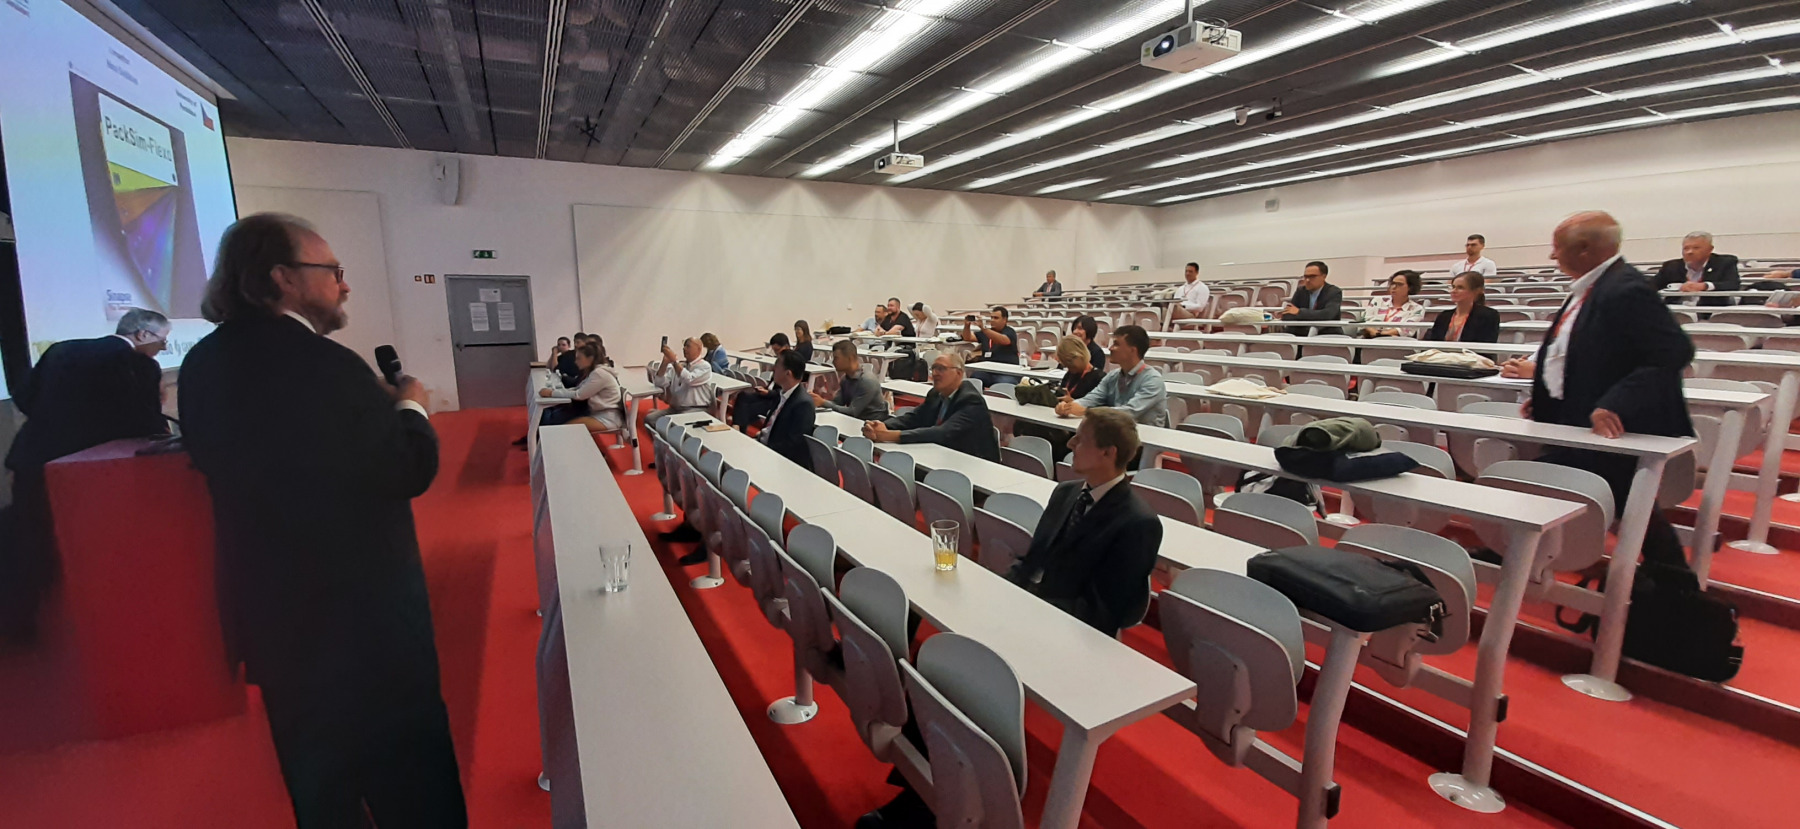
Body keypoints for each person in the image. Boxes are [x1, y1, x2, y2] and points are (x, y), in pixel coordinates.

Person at [177, 213, 466, 825]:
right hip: (367, 632)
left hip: (277, 626)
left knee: (322, 793)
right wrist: (411, 407)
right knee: (415, 791)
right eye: (332, 271)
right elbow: (407, 468)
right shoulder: (328, 368)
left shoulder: (201, 365)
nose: (344, 284)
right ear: (281, 278)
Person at [1499, 211, 1693, 569]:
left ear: (1585, 249)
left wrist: (1615, 403)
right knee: (1612, 498)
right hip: (1575, 418)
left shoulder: (1626, 289)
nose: (1552, 255)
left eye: (1557, 247)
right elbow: (1572, 354)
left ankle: (1677, 589)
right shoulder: (1591, 288)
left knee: (1631, 505)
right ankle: (1515, 553)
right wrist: (1546, 398)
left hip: (1614, 425)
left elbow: (1673, 352)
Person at [1, 308, 170, 644]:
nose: (163, 349)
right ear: (142, 334)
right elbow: (145, 423)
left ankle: (17, 629)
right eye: (162, 341)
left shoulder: (62, 350)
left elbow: (24, 396)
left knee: (27, 544)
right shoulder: (139, 367)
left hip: (34, 459)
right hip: (92, 475)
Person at [1005, 408, 1162, 635]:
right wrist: (1001, 589)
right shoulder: (1065, 492)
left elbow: (1102, 611)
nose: (1070, 444)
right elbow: (1033, 560)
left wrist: (1033, 612)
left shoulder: (1138, 523)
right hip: (1034, 606)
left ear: (1107, 453)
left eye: (1080, 439)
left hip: (1070, 630)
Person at [863, 353, 1000, 462]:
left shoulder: (971, 401)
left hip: (973, 462)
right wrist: (881, 426)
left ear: (959, 373)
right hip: (943, 453)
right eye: (933, 368)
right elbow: (914, 418)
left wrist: (890, 435)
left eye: (941, 369)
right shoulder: (935, 393)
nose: (935, 373)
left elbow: (942, 433)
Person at [1055, 325, 1169, 431]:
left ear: (1132, 350)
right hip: (1117, 433)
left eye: (1116, 344)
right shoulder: (1112, 376)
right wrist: (1068, 407)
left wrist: (1087, 411)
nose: (1110, 348)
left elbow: (1129, 412)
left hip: (1145, 438)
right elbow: (1092, 398)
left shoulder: (1153, 381)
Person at [1014, 337, 1102, 463]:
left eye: (1068, 363)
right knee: (1025, 425)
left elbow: (1098, 409)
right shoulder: (1070, 374)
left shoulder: (1098, 378)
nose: (1067, 367)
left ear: (1078, 357)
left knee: (1055, 446)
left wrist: (1073, 401)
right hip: (1061, 420)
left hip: (1078, 428)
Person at [538, 341, 624, 432]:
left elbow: (579, 395)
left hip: (607, 419)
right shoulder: (595, 371)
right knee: (557, 418)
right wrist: (554, 392)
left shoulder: (599, 373)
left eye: (579, 358)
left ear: (590, 358)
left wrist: (551, 393)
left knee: (563, 429)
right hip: (599, 414)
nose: (576, 362)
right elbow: (578, 389)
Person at [758, 350, 816, 468]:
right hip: (765, 447)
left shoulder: (803, 404)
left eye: (777, 366)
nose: (773, 369)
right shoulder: (782, 393)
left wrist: (763, 450)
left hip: (781, 461)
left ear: (788, 373)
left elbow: (794, 444)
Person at [1653, 231, 1740, 306]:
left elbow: (1733, 284)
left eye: (1696, 248)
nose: (1689, 252)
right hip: (1677, 310)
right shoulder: (1671, 266)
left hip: (1709, 310)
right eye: (1686, 248)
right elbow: (1653, 285)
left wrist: (1705, 286)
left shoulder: (1724, 263)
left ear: (1710, 249)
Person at [732, 333, 795, 429]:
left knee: (747, 409)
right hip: (769, 393)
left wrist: (768, 392)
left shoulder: (791, 364)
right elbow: (773, 382)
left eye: (777, 350)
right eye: (774, 351)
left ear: (786, 347)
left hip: (775, 399)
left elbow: (786, 390)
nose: (776, 353)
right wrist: (765, 389)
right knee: (743, 395)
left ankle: (739, 428)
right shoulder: (779, 361)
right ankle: (736, 425)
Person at [814, 339, 889, 420]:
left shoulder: (867, 381)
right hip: (857, 420)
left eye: (836, 358)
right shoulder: (845, 379)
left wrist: (823, 403)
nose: (833, 362)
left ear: (850, 358)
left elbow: (852, 412)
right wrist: (817, 400)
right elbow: (837, 403)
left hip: (873, 422)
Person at [650, 336, 716, 420]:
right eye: (684, 346)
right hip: (676, 408)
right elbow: (659, 383)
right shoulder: (680, 365)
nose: (684, 349)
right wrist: (664, 363)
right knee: (650, 419)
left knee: (675, 422)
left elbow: (689, 379)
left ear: (698, 349)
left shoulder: (704, 366)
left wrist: (674, 361)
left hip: (696, 408)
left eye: (688, 346)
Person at [1426, 271, 1501, 343]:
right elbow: (1433, 341)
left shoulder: (1489, 315)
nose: (1453, 291)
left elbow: (1485, 344)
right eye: (1453, 287)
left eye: (1460, 287)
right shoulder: (1443, 316)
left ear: (1476, 291)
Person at [1279, 261, 1342, 336]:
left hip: (1326, 333)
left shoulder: (1334, 292)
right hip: (1300, 333)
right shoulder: (1300, 291)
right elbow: (1287, 315)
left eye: (1312, 277)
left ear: (1324, 276)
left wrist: (1299, 312)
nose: (1307, 280)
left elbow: (1328, 315)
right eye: (1305, 277)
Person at [1359, 270, 1426, 337]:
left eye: (1399, 284)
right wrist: (1374, 333)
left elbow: (1407, 329)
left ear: (1410, 288)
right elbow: (1365, 320)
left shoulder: (1417, 309)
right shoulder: (1377, 301)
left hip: (1397, 341)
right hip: (1370, 338)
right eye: (1393, 283)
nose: (1394, 287)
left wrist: (1383, 334)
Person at [963, 305, 1018, 387]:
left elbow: (1003, 340)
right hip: (988, 370)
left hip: (1007, 371)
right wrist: (967, 326)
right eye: (991, 318)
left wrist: (984, 328)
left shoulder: (1010, 331)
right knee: (975, 378)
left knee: (1002, 383)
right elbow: (968, 337)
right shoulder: (987, 332)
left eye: (996, 318)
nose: (992, 320)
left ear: (1005, 320)